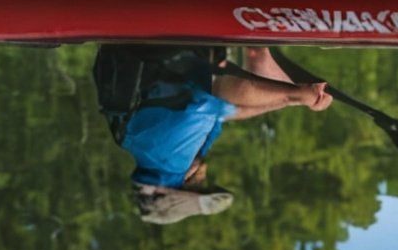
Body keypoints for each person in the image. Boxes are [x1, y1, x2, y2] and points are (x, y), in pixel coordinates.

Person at [96, 43, 333, 224]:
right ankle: (258, 46)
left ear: (182, 187)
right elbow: (224, 114)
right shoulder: (141, 147)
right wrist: (287, 100)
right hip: (161, 42)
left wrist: (296, 95)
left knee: (248, 88)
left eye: (200, 187)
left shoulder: (172, 158)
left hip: (176, 29)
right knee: (269, 86)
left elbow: (219, 93)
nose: (204, 178)